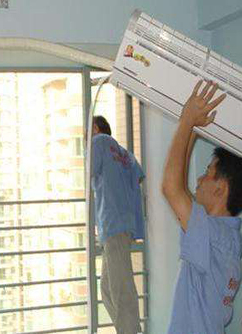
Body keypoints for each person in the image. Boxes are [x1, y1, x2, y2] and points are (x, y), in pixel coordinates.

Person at [162, 80, 242, 333]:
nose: (199, 180)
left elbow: (171, 189)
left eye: (207, 172)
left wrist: (187, 120)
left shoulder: (213, 236)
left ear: (220, 188)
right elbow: (179, 190)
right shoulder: (225, 238)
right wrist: (193, 129)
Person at [91, 115, 145, 334]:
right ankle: (127, 329)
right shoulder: (123, 152)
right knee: (107, 288)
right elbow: (138, 175)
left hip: (112, 221)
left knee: (121, 289)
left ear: (95, 128)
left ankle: (130, 331)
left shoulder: (98, 142)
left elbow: (89, 171)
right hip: (123, 223)